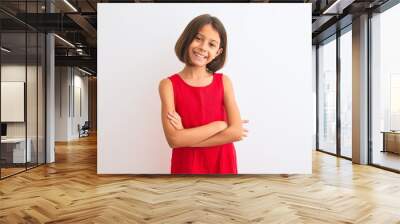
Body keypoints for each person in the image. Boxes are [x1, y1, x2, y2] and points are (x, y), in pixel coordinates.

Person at [158, 14, 248, 174]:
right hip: (186, 165)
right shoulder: (168, 85)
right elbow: (173, 139)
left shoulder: (224, 82)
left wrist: (186, 138)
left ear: (218, 52)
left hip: (222, 162)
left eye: (212, 44)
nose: (203, 47)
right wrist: (219, 126)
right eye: (198, 39)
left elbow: (236, 132)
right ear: (187, 39)